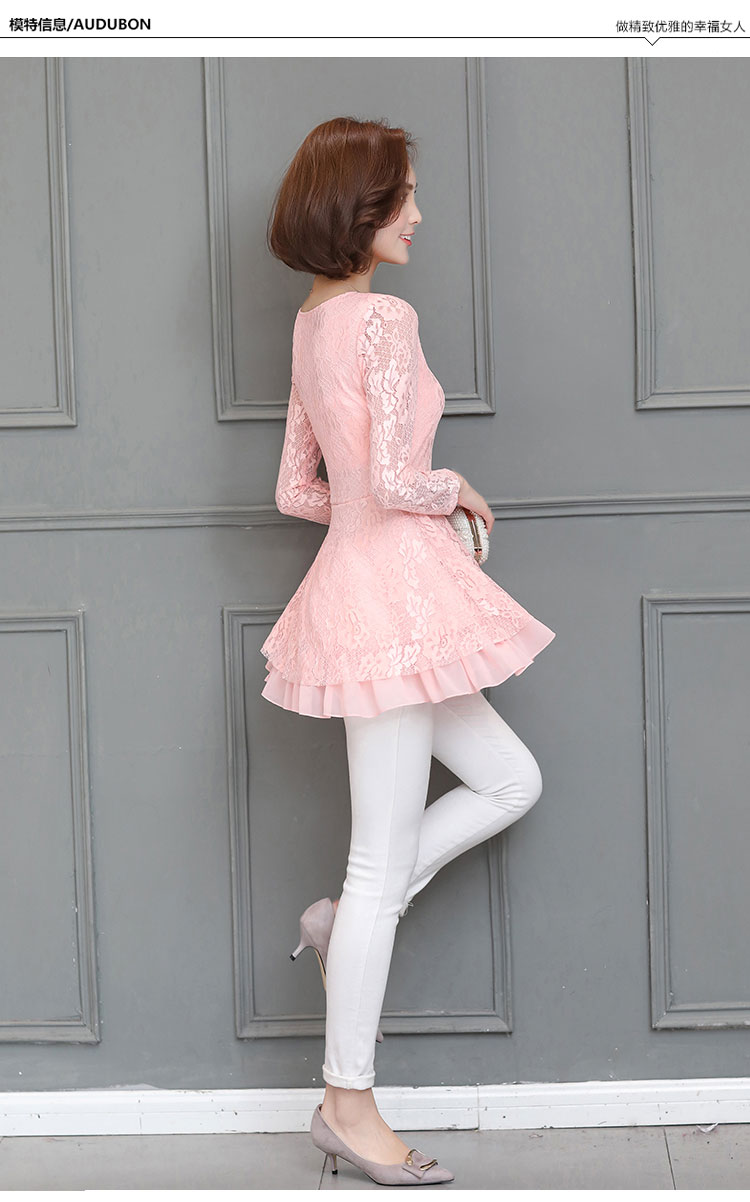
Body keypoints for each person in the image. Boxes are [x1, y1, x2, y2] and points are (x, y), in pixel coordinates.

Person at [262, 116, 556, 1187]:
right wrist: (456, 487)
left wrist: (374, 513)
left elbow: (298, 491)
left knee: (510, 779)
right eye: (405, 197)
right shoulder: (382, 319)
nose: (419, 215)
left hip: (370, 593)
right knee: (379, 862)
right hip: (389, 599)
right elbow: (392, 480)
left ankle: (341, 925)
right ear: (359, 208)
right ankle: (347, 1102)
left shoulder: (311, 324)